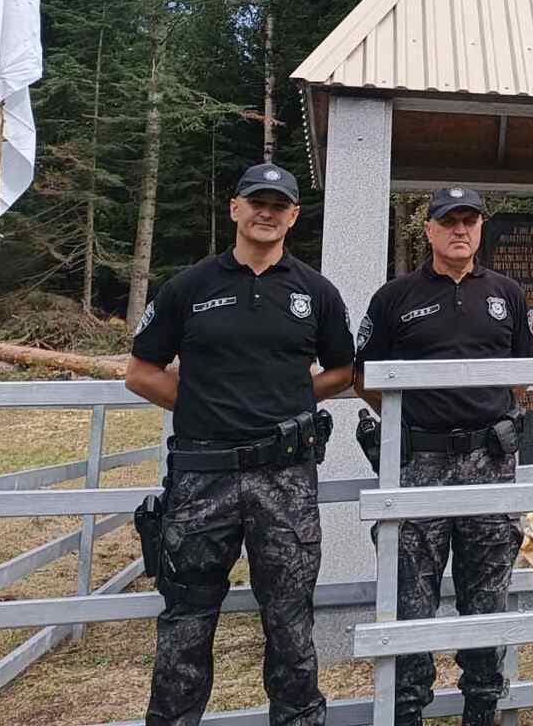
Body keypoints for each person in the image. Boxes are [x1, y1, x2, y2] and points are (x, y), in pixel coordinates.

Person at [126, 162, 355, 726]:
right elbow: (141, 371)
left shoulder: (315, 292)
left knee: (290, 620)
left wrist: (289, 394)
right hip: (202, 477)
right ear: (235, 208)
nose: (266, 213)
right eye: (257, 202)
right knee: (186, 621)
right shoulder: (190, 287)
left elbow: (344, 370)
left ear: (293, 217)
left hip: (285, 479)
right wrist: (207, 403)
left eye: (279, 205)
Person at [353, 186, 533, 726]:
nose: (460, 230)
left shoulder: (507, 293)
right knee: (413, 598)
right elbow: (363, 374)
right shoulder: (395, 297)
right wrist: (411, 424)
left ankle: (483, 708)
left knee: (487, 596)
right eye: (448, 221)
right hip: (419, 465)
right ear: (427, 229)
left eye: (469, 221)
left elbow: (524, 374)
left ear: (481, 229)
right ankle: (408, 711)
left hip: (489, 462)